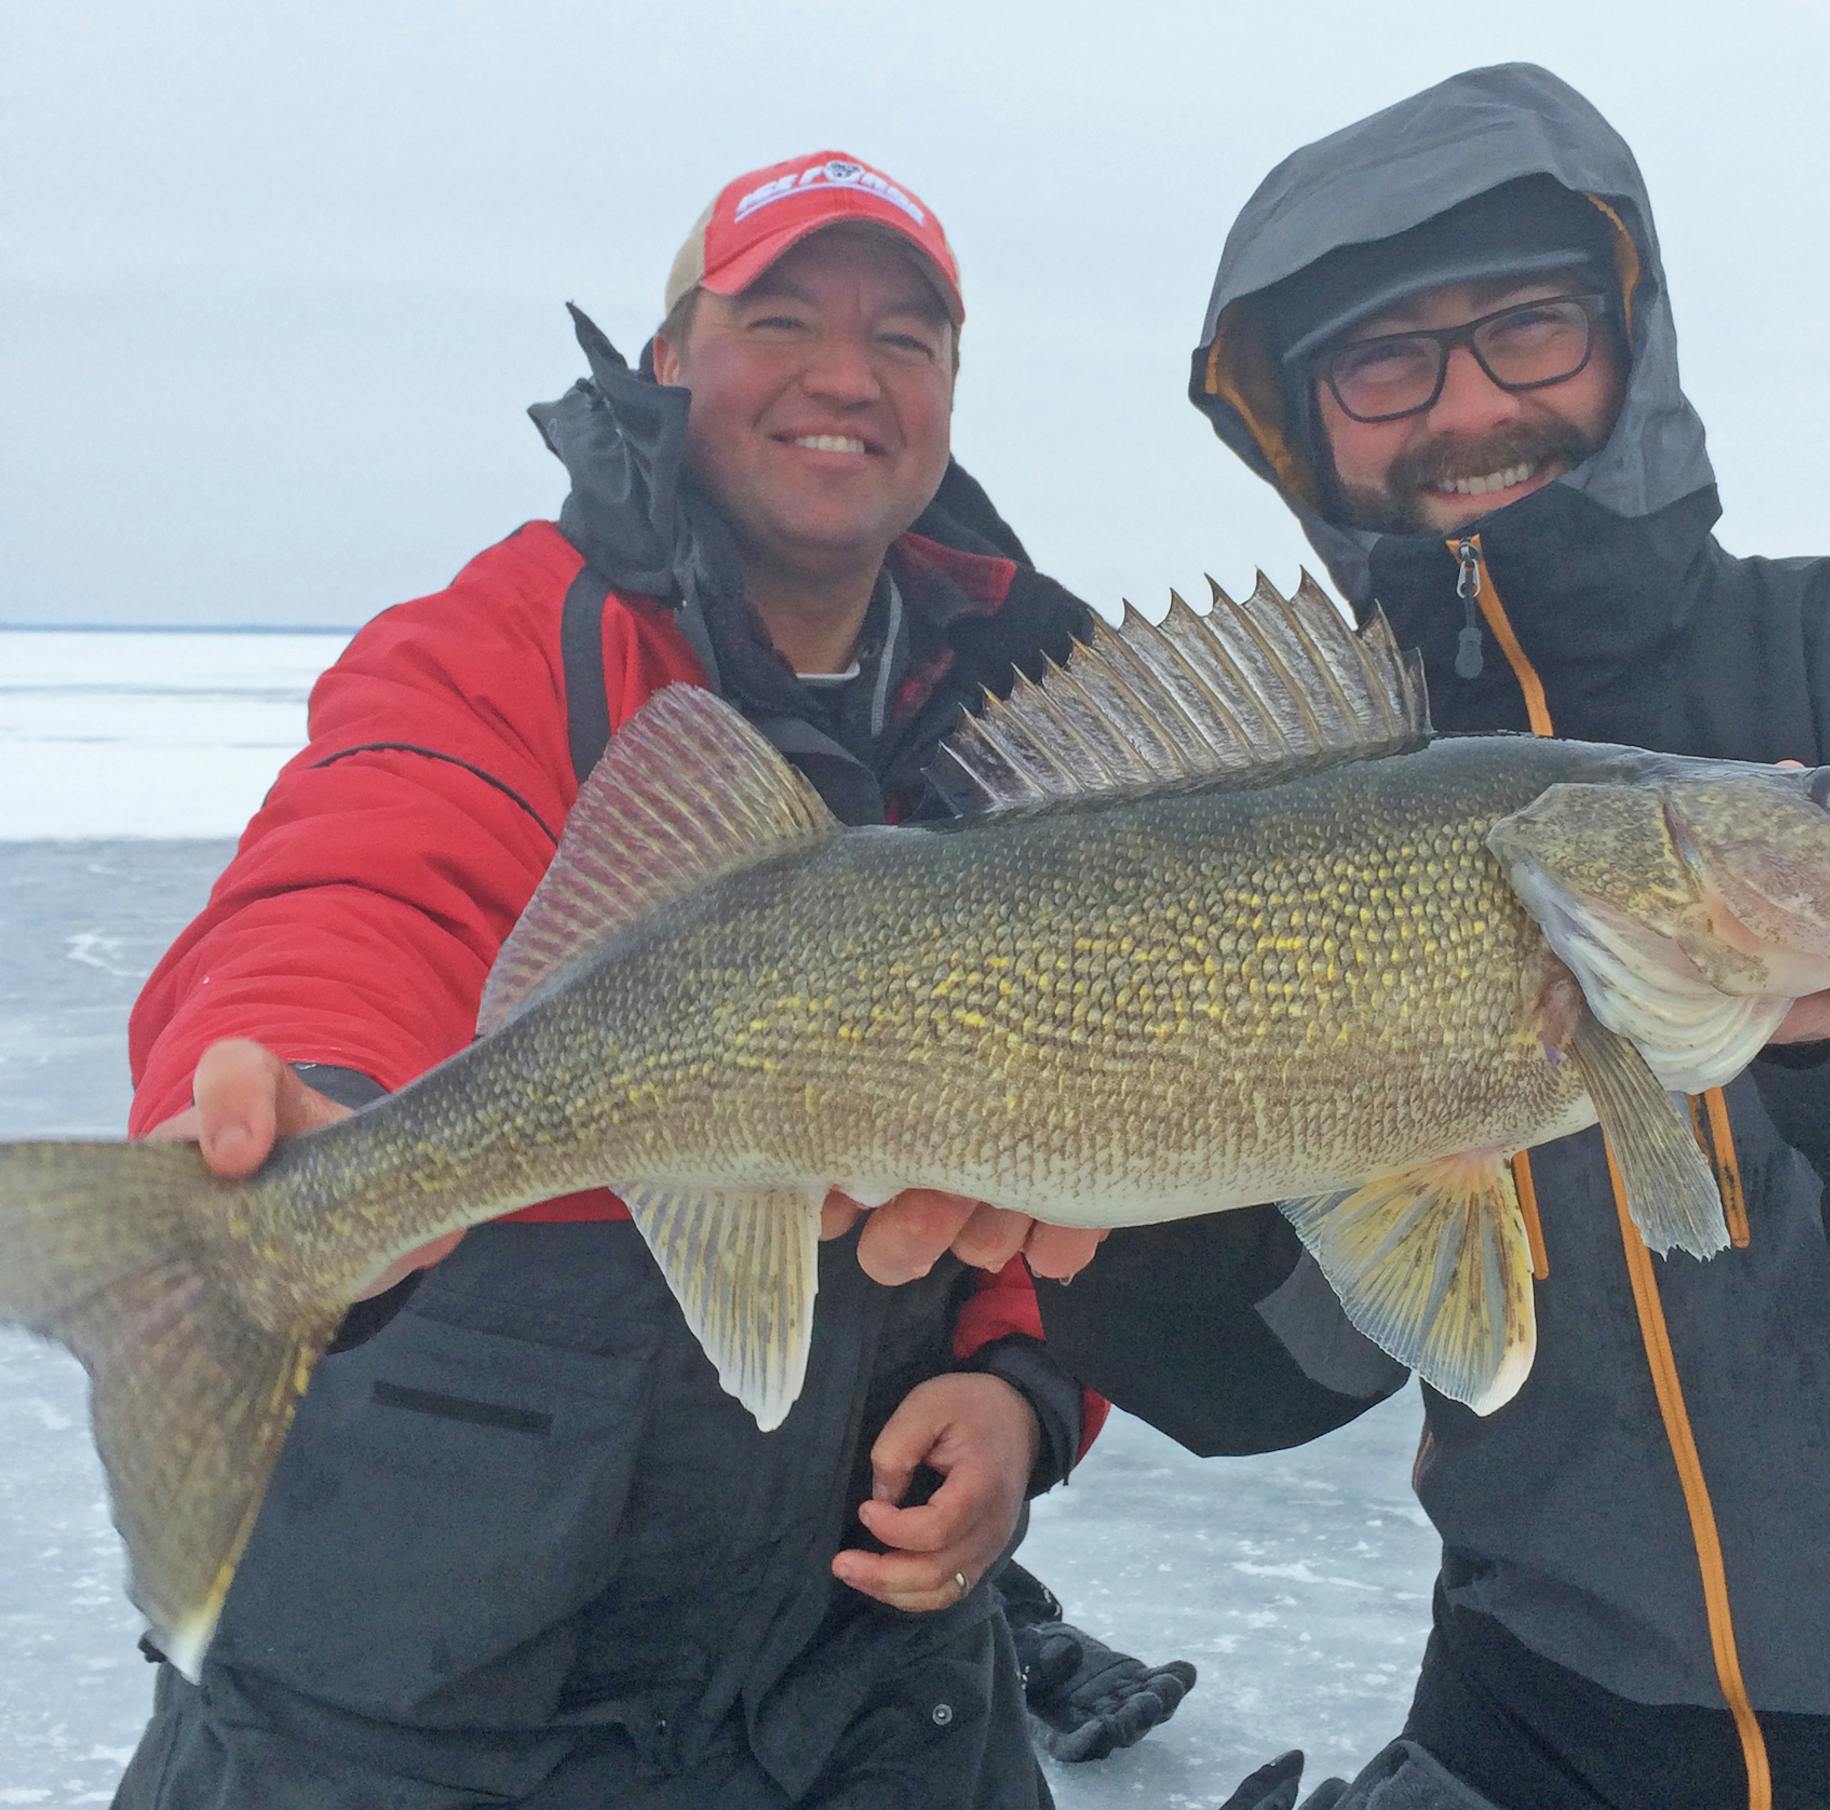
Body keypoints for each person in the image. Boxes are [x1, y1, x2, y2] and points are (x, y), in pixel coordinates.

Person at [1038, 64, 1830, 1810]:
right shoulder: (1286, 801)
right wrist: (1074, 1218)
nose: (1467, 404)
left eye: (1528, 328)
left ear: (1631, 337)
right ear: (1302, 422)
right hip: (1538, 1722)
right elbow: (1274, 1373)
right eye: (1383, 362)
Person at [112, 149, 1169, 1809]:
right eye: (781, 317)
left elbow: (1142, 1079)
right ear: (672, 359)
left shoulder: (1041, 707)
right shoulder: (503, 642)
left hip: (846, 1685)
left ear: (954, 390)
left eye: (907, 336)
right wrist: (299, 1084)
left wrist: (1020, 1385)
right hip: (431, 1669)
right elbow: (367, 863)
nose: (845, 373)